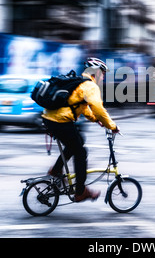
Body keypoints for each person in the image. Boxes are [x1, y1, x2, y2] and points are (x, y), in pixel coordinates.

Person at [42, 57, 120, 202]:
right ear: (96, 72)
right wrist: (112, 126)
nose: (102, 77)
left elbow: (83, 108)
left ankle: (56, 169)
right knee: (80, 152)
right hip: (60, 121)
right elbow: (98, 108)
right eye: (102, 74)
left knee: (78, 141)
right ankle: (80, 191)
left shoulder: (79, 82)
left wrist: (96, 120)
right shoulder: (90, 86)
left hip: (50, 119)